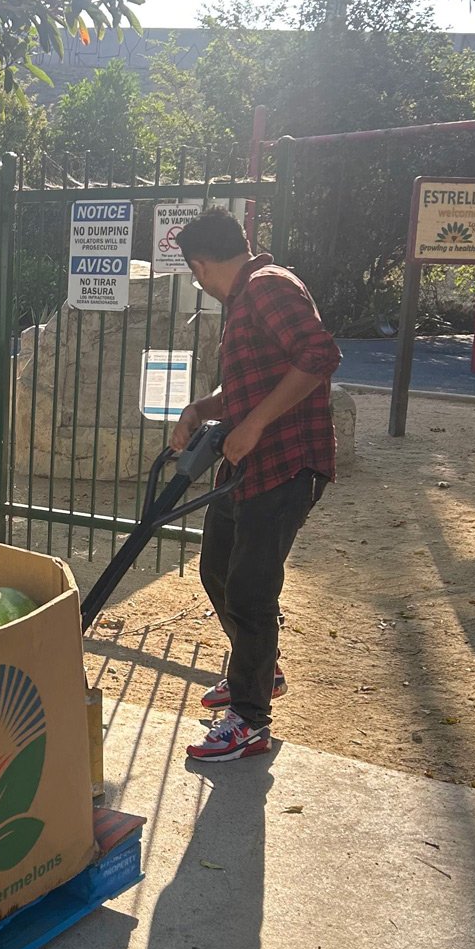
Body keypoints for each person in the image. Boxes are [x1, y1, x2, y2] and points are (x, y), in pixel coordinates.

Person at [169, 208, 340, 763]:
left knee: (250, 587)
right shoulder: (248, 297)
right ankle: (261, 674)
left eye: (195, 275)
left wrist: (256, 423)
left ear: (200, 265)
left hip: (287, 463)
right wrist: (202, 407)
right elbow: (251, 381)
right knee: (216, 567)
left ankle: (248, 720)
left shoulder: (268, 289)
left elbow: (319, 355)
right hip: (248, 465)